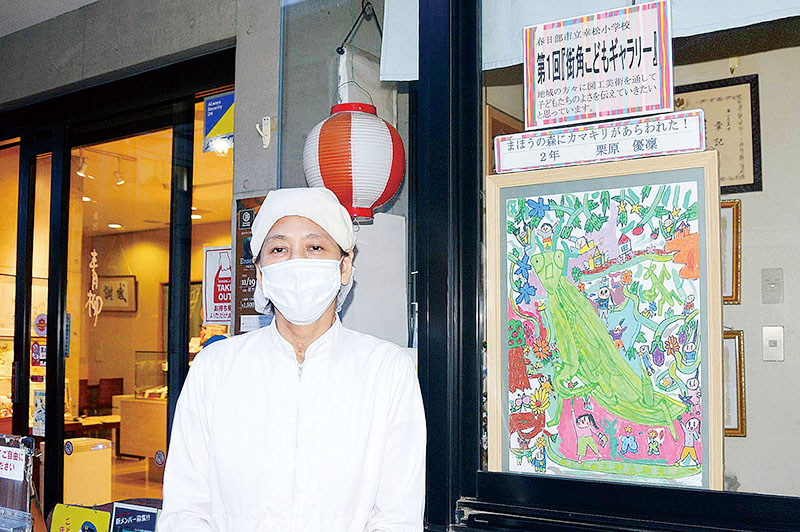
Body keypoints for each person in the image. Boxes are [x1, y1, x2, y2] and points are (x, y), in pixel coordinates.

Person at [159, 188, 426, 532]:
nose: (297, 263)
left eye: (314, 247)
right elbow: (185, 508)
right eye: (279, 249)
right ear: (260, 273)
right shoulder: (216, 368)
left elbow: (397, 517)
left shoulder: (385, 369)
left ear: (344, 266)